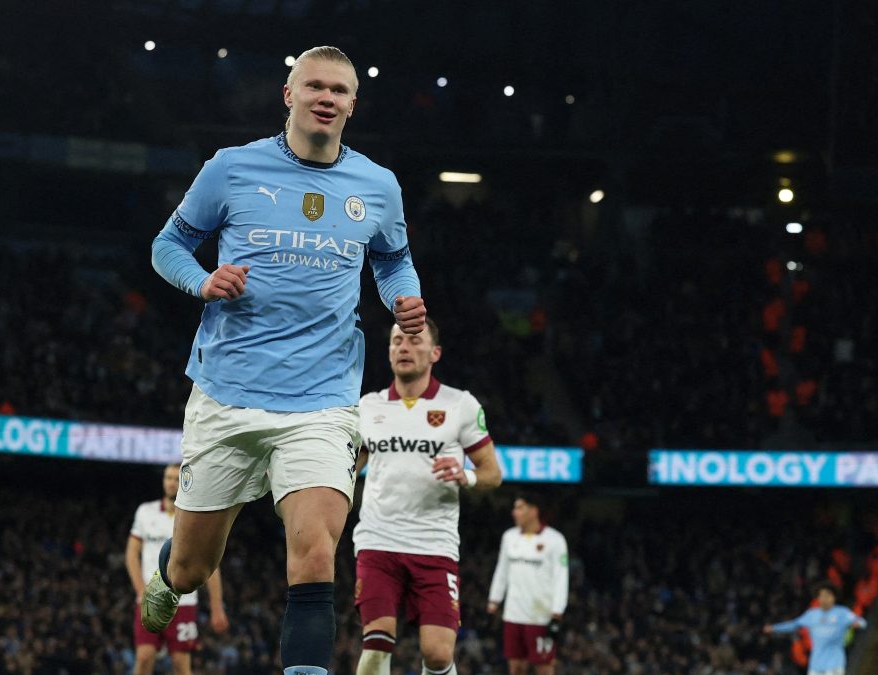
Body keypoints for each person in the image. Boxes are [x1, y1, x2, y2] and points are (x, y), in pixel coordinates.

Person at [148, 45, 426, 675]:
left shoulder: (378, 185)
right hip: (227, 392)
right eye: (315, 86)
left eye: (339, 90)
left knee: (316, 553)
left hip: (323, 401)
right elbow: (168, 245)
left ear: (352, 105)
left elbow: (393, 260)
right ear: (289, 94)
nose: (326, 98)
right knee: (193, 569)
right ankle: (167, 572)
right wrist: (202, 281)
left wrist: (401, 297)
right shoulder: (231, 168)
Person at [351, 318, 504, 675]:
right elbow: (347, 469)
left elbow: (493, 473)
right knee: (376, 640)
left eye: (414, 340)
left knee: (436, 654)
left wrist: (465, 475)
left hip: (434, 545)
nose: (404, 347)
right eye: (397, 341)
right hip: (377, 541)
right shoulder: (368, 407)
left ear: (435, 353)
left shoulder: (460, 405)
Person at [125, 464, 229, 675]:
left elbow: (209, 565)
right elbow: (131, 554)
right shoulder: (146, 512)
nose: (171, 483)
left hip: (184, 601)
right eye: (168, 478)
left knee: (181, 664)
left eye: (176, 478)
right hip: (151, 598)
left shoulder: (194, 520)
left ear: (185, 481)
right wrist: (140, 591)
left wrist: (217, 606)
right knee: (144, 657)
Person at [487, 493, 569, 675]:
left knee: (544, 668)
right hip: (513, 614)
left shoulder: (555, 540)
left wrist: (557, 612)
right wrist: (494, 600)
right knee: (516, 668)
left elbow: (561, 577)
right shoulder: (509, 537)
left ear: (533, 511)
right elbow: (502, 569)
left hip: (540, 617)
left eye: (519, 508)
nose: (514, 512)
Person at [764, 582, 867, 675]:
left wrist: (857, 624)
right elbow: (793, 625)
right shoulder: (811, 616)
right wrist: (774, 628)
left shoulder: (840, 612)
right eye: (822, 596)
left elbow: (861, 622)